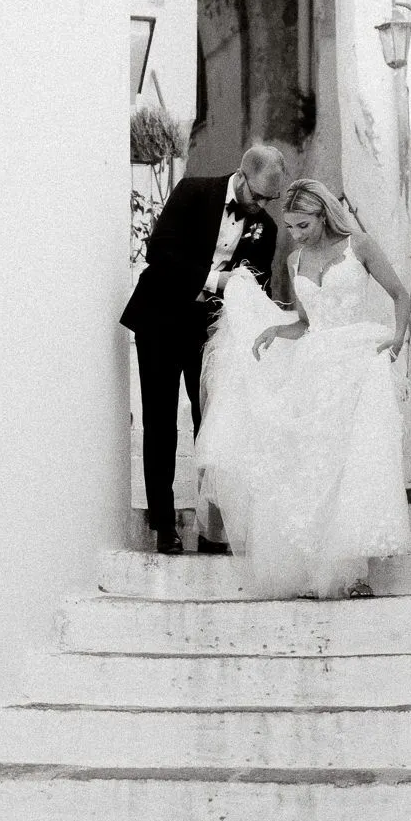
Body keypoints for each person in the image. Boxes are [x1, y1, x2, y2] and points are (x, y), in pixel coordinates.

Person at [195, 178, 411, 598]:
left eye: (303, 225)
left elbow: (400, 295)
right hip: (315, 366)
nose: (295, 234)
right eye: (290, 226)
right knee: (313, 466)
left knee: (350, 464)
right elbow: (307, 322)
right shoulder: (295, 261)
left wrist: (399, 338)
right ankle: (317, 570)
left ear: (323, 215)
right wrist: (276, 330)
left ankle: (355, 574)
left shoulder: (360, 246)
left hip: (355, 362)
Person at [121, 144, 286, 554]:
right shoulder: (193, 191)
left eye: (271, 200)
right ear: (241, 175)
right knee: (159, 422)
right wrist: (218, 281)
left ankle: (213, 528)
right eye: (257, 196)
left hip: (209, 331)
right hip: (159, 319)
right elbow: (160, 253)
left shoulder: (266, 227)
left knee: (212, 425)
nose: (261, 206)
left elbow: (257, 286)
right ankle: (164, 526)